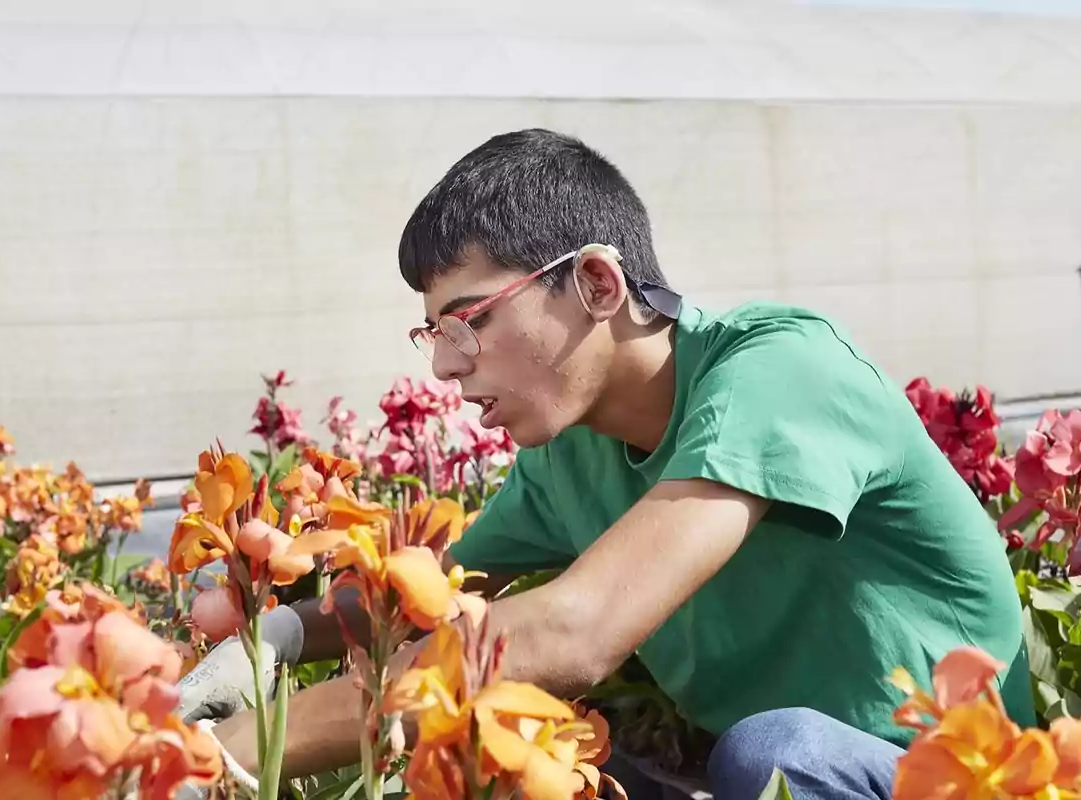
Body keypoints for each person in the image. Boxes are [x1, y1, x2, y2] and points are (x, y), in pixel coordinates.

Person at [176, 128, 1035, 799]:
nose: (444, 364)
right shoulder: (571, 451)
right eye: (433, 332)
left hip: (947, 778)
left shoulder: (781, 371)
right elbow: (428, 587)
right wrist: (280, 635)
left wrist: (231, 750)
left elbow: (574, 631)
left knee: (778, 757)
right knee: (514, 761)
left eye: (467, 320)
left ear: (594, 282)